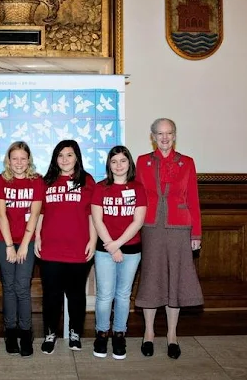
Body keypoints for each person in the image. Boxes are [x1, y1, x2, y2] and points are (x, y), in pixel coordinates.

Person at [134, 118, 204, 360]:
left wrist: (196, 233)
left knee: (175, 279)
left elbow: (193, 198)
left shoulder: (187, 162)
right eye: (160, 134)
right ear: (152, 136)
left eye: (169, 133)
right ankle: (149, 333)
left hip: (179, 227)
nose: (164, 138)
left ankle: (172, 335)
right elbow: (138, 196)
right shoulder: (143, 161)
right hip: (151, 226)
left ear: (175, 135)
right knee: (152, 278)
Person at [34, 140, 97, 354]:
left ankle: (75, 333)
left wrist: (93, 240)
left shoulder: (87, 181)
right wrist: (37, 238)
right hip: (50, 248)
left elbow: (93, 215)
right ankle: (50, 334)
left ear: (77, 157)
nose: (65, 159)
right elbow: (40, 213)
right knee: (51, 295)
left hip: (79, 248)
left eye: (69, 155)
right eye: (60, 155)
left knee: (76, 294)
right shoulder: (47, 181)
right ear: (55, 158)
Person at [91, 146, 146, 360]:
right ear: (109, 165)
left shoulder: (138, 188)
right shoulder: (100, 187)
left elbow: (138, 220)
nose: (119, 165)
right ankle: (102, 333)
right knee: (105, 295)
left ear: (129, 163)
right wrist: (110, 245)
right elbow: (97, 219)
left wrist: (119, 245)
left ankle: (119, 334)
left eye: (123, 161)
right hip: (105, 249)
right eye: (114, 161)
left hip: (130, 250)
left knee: (123, 295)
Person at [0, 141, 44, 358]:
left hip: (27, 240)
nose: (19, 163)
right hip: (3, 240)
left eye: (23, 158)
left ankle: (26, 332)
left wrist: (24, 245)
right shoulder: (0, 181)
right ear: (8, 160)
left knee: (22, 287)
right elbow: (1, 215)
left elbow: (34, 215)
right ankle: (10, 331)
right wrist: (8, 246)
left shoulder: (37, 181)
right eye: (15, 158)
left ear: (29, 160)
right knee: (9, 286)